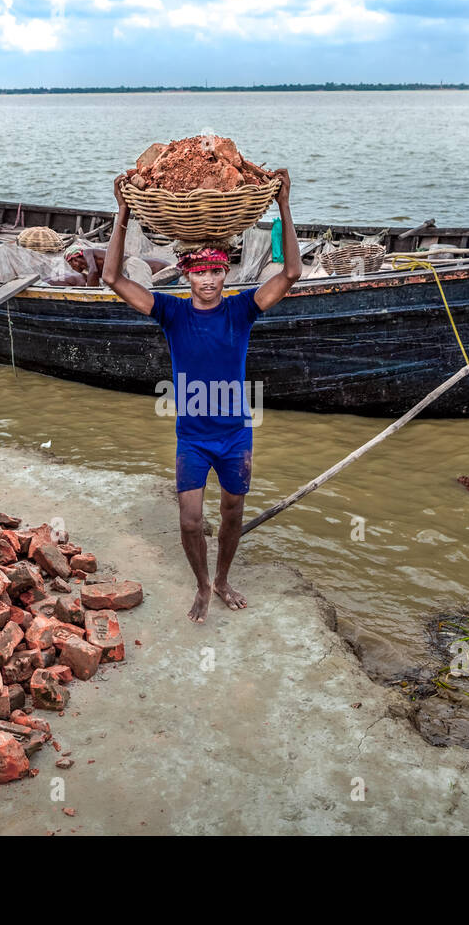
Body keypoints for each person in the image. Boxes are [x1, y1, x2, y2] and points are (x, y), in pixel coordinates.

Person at [102, 168, 299, 623]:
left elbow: (291, 271)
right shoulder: (170, 311)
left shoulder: (241, 309)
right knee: (190, 520)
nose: (208, 281)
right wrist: (123, 212)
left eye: (215, 271)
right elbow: (112, 277)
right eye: (199, 273)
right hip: (192, 436)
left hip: (235, 435)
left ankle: (224, 578)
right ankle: (202, 585)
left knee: (232, 514)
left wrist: (284, 205)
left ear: (225, 273)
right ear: (187, 276)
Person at [49, 244, 170, 287]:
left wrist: (90, 296)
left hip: (132, 265)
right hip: (123, 272)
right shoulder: (86, 268)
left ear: (74, 259)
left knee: (145, 293)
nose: (71, 268)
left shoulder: (87, 252)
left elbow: (94, 271)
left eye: (70, 264)